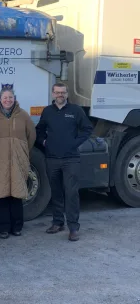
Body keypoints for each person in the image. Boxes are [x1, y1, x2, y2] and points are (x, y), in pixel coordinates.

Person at [36, 82, 93, 241]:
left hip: (71, 159)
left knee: (71, 192)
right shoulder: (47, 111)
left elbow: (87, 128)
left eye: (63, 92)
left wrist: (75, 143)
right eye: (57, 92)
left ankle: (73, 227)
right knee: (56, 192)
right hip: (52, 158)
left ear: (67, 94)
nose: (60, 95)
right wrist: (44, 142)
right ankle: (58, 222)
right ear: (53, 94)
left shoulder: (76, 111)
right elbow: (39, 130)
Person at [0, 84, 36, 239]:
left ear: (15, 99)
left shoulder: (23, 116)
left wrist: (22, 152)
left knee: (16, 195)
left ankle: (16, 227)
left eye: (10, 97)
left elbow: (31, 136)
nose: (8, 100)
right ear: (0, 99)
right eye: (5, 97)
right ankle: (2, 228)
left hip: (18, 161)